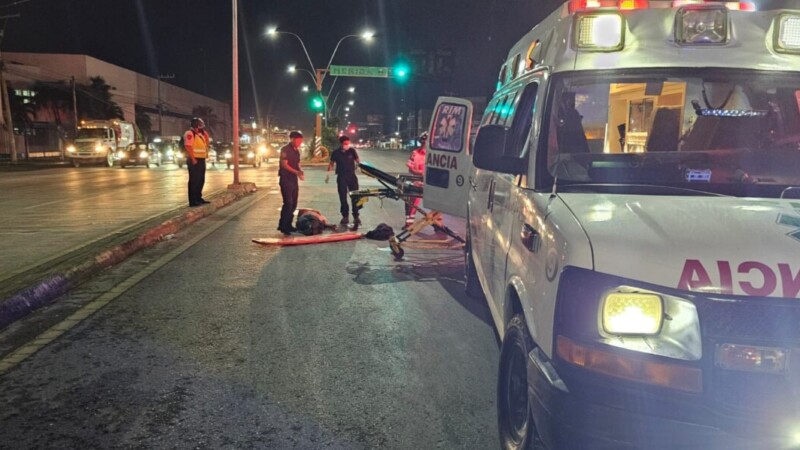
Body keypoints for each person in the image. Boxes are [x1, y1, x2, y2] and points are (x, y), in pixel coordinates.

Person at [326, 135, 362, 226]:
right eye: (345, 143)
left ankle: (356, 217)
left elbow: (358, 160)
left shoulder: (352, 151)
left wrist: (361, 166)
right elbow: (331, 164)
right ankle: (345, 216)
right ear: (341, 144)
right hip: (341, 177)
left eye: (348, 143)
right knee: (343, 197)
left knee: (355, 197)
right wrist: (328, 175)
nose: (347, 145)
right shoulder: (336, 153)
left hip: (352, 176)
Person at [278, 131, 305, 235]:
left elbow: (298, 163)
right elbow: (284, 165)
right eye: (298, 141)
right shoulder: (285, 149)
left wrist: (300, 171)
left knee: (294, 204)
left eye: (301, 141)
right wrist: (296, 172)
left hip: (294, 180)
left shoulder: (296, 151)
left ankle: (289, 225)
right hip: (285, 179)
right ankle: (283, 226)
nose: (300, 143)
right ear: (292, 139)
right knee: (288, 203)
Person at [184, 117, 211, 207]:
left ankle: (198, 198)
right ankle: (193, 201)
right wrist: (193, 159)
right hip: (194, 159)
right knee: (194, 180)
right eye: (200, 124)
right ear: (196, 124)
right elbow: (188, 146)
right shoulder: (190, 133)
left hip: (201, 159)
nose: (202, 126)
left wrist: (206, 137)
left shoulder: (200, 134)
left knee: (201, 180)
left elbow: (206, 145)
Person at [405, 132, 427, 226]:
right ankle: (409, 223)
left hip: (430, 182)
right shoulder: (415, 153)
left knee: (437, 205)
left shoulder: (435, 155)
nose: (424, 143)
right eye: (423, 141)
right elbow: (410, 167)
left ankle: (437, 225)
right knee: (411, 203)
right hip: (417, 181)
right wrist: (419, 173)